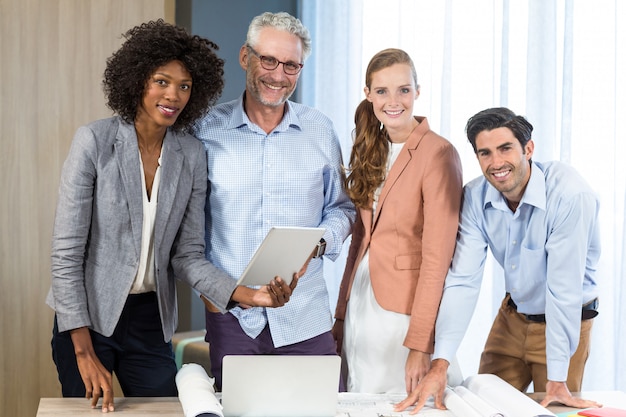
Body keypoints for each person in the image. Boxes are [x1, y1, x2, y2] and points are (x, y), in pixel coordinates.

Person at [47, 20, 297, 413]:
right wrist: (82, 350)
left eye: (184, 86)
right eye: (162, 81)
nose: (173, 95)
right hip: (88, 316)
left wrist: (248, 295)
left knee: (164, 410)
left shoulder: (191, 154)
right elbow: (65, 255)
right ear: (137, 80)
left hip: (150, 319)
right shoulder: (94, 142)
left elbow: (188, 255)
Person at [396, 107, 602, 413]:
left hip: (565, 317)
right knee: (482, 402)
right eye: (485, 153)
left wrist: (559, 377)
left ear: (528, 149)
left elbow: (563, 291)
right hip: (513, 316)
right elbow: (463, 280)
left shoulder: (569, 196)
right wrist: (440, 364)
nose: (496, 163)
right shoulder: (476, 197)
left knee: (554, 406)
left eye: (505, 149)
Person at [191, 11, 355, 391]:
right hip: (234, 318)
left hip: (306, 314)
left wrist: (318, 243)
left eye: (291, 65)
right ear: (246, 57)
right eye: (269, 60)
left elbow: (343, 208)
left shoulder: (320, 129)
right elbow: (188, 231)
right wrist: (214, 297)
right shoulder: (205, 131)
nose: (279, 75)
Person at [332, 48, 463, 394]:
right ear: (368, 95)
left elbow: (437, 258)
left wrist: (420, 344)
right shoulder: (368, 148)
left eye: (403, 90)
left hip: (402, 314)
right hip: (362, 302)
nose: (394, 100)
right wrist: (341, 314)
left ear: (417, 92)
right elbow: (360, 242)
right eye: (382, 91)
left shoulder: (439, 153)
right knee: (361, 398)